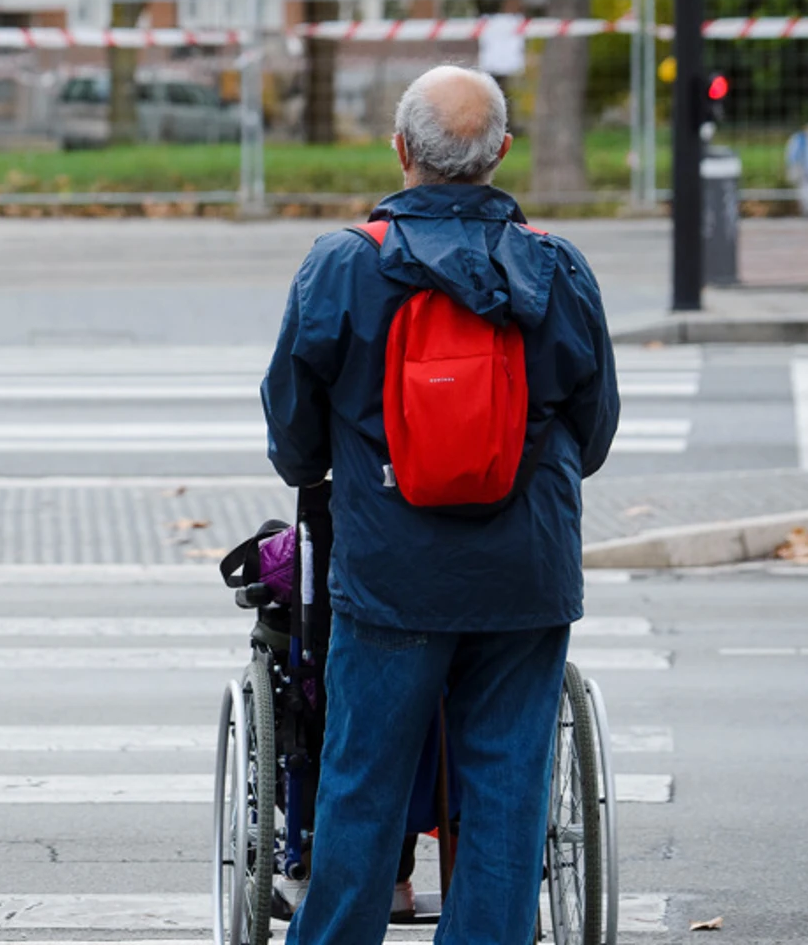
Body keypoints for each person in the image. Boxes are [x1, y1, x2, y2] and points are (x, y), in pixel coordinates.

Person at [261, 65, 621, 945]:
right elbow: (596, 426)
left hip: (392, 573)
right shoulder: (556, 266)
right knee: (505, 795)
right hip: (525, 573)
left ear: (399, 150)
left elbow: (294, 438)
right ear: (501, 151)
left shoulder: (344, 264)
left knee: (362, 785)